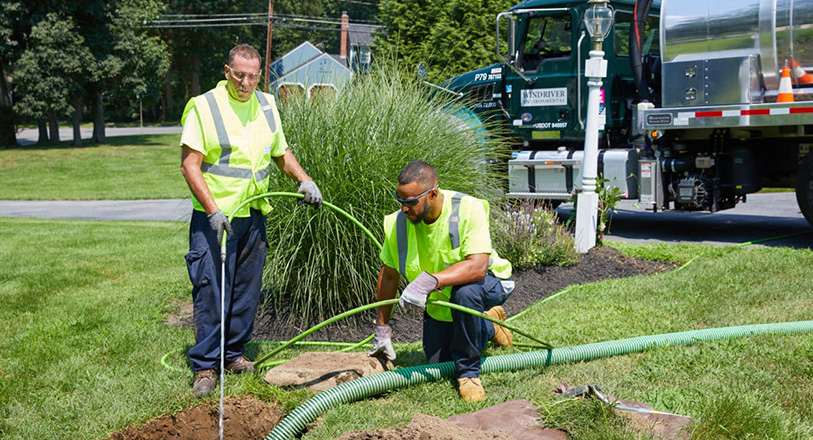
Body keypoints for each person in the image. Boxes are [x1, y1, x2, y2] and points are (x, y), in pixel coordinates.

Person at [179, 44, 322, 397]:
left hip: (254, 214)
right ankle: (206, 366)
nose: (246, 82)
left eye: (253, 76)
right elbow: (189, 164)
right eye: (239, 75)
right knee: (212, 290)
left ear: (261, 74)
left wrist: (303, 180)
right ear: (227, 70)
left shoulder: (267, 104)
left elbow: (280, 152)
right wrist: (212, 210)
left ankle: (233, 355)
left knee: (246, 291)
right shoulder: (205, 106)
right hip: (216, 219)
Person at [368, 161, 514, 402]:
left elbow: (478, 268)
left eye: (411, 202)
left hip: (489, 282)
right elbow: (389, 275)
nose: (404, 209)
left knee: (465, 294)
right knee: (438, 362)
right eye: (400, 200)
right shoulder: (398, 224)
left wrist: (431, 280)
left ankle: (469, 373)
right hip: (441, 297)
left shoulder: (467, 208)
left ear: (433, 193)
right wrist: (382, 329)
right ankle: (489, 324)